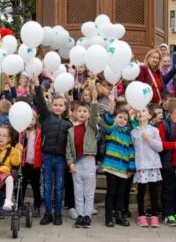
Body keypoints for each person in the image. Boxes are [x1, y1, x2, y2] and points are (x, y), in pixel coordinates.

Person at [33, 75, 71, 226]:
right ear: (51, 105)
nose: (58, 107)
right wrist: (37, 86)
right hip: (47, 157)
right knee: (48, 185)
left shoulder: (68, 124)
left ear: (65, 108)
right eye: (55, 104)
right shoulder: (46, 117)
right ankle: (48, 213)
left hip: (60, 159)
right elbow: (41, 102)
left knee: (59, 186)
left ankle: (58, 214)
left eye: (61, 105)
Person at [66, 82, 99, 229]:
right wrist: (70, 162)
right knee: (78, 191)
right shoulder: (71, 131)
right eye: (79, 111)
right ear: (74, 113)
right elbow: (68, 149)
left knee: (89, 191)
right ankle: (80, 215)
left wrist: (94, 100)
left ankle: (87, 216)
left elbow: (94, 116)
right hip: (77, 163)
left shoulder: (91, 127)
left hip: (89, 161)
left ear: (89, 114)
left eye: (85, 111)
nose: (82, 113)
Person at [101, 100, 135, 227]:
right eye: (120, 117)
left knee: (121, 193)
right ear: (115, 118)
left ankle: (119, 214)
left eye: (125, 119)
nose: (122, 120)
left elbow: (131, 151)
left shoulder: (128, 133)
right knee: (112, 191)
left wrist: (131, 167)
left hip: (123, 168)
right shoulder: (112, 130)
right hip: (111, 166)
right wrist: (110, 113)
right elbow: (108, 124)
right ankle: (108, 216)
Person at [157, 98, 176, 226]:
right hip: (169, 164)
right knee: (168, 189)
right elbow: (161, 144)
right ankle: (167, 213)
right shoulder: (163, 125)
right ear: (175, 111)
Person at [131, 107, 163, 228]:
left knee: (154, 190)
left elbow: (160, 147)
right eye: (139, 111)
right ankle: (141, 216)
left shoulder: (154, 130)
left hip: (153, 165)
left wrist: (149, 140)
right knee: (141, 191)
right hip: (141, 166)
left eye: (143, 111)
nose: (140, 113)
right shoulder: (134, 132)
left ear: (149, 116)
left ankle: (154, 216)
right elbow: (134, 148)